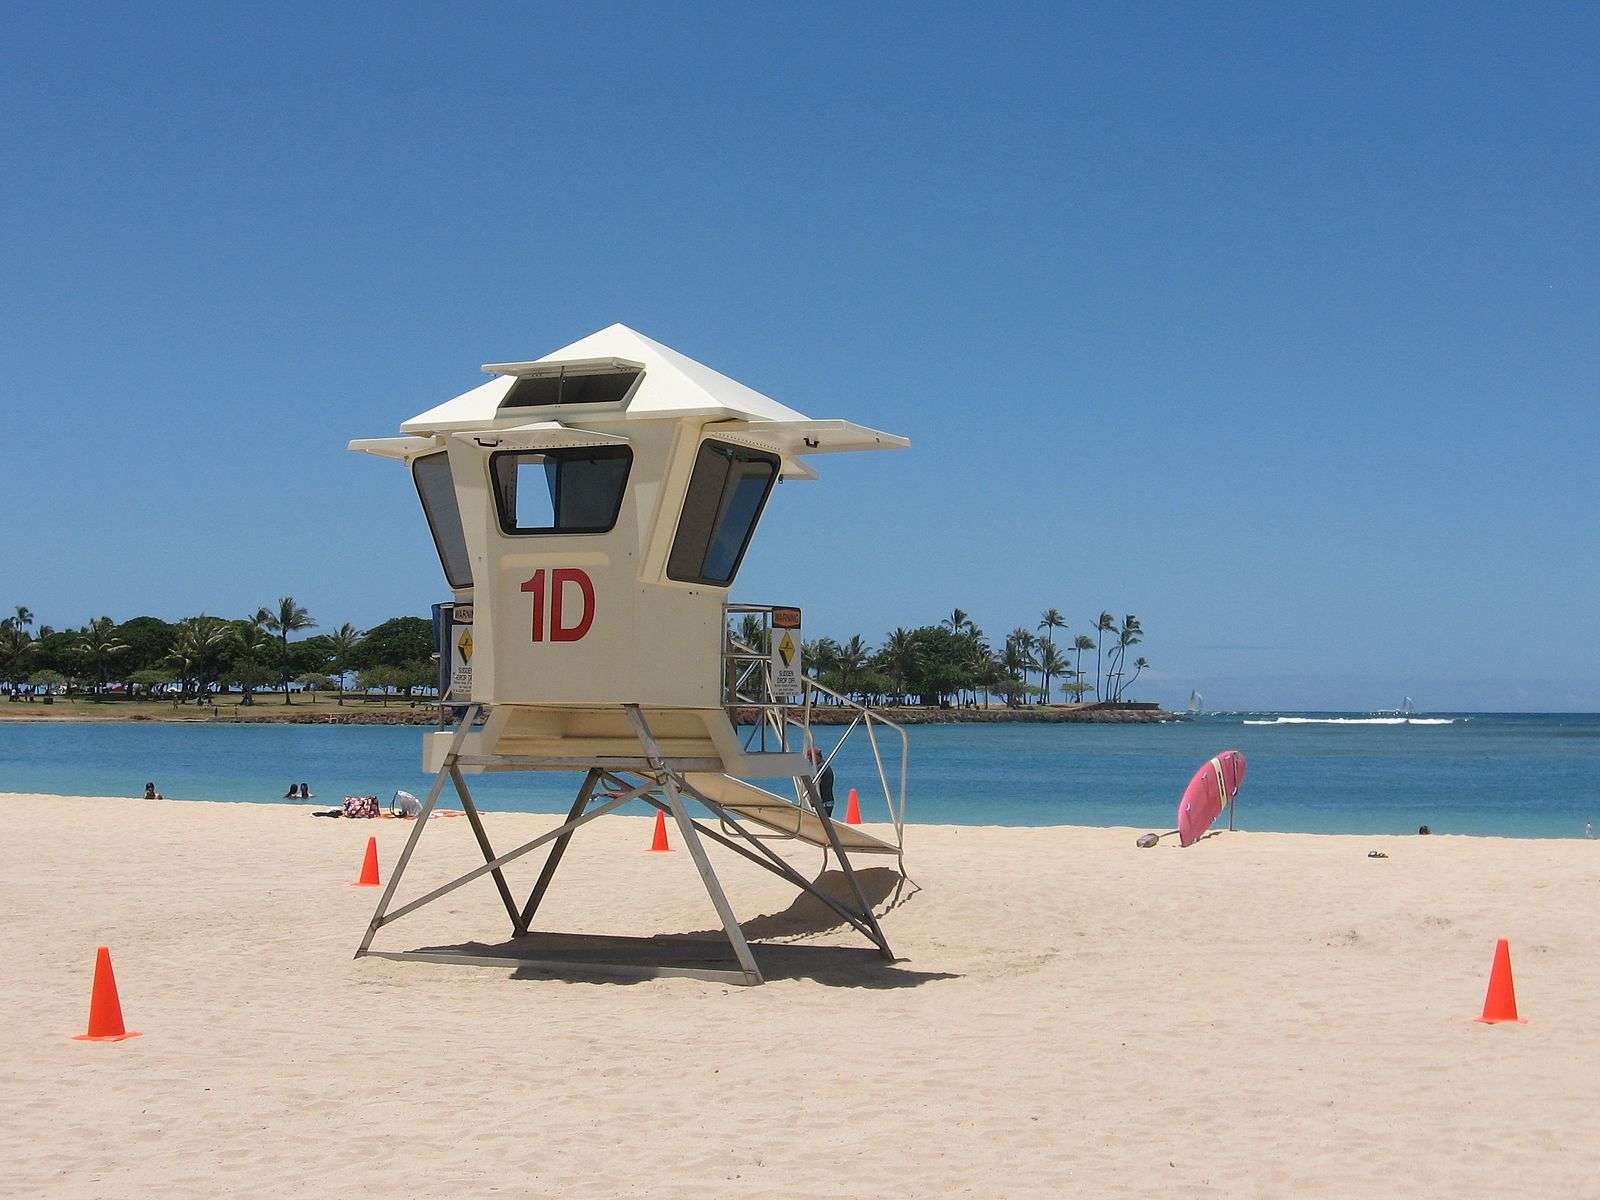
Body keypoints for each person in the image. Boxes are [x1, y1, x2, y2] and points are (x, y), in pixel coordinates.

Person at [804, 745, 836, 818]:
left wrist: (811, 800)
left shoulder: (820, 767)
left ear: (816, 757)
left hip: (824, 802)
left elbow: (814, 784)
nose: (810, 761)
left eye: (811, 759)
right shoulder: (824, 765)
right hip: (828, 801)